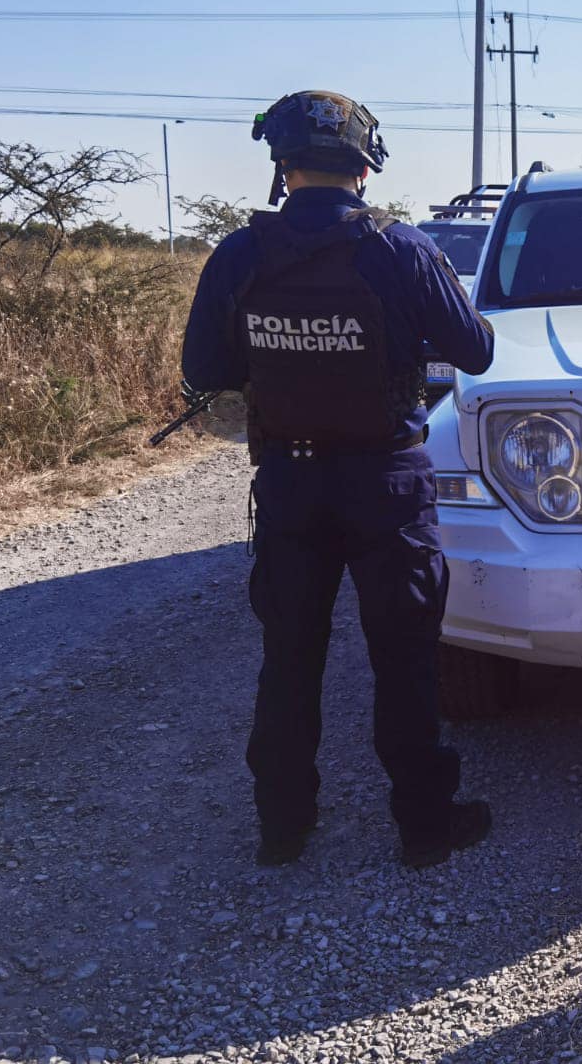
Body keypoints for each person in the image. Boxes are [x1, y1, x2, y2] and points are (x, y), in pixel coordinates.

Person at [181, 90, 497, 866]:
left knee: (290, 655)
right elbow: (477, 351)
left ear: (280, 165)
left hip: (290, 483)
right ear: (365, 162)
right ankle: (425, 827)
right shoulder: (403, 249)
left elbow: (203, 371)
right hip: (387, 484)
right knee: (404, 656)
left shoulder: (238, 256)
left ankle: (282, 828)